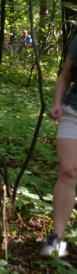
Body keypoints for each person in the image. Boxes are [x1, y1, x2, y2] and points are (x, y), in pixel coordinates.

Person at [40, 34, 77, 258]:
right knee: (68, 170)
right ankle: (56, 238)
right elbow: (65, 75)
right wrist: (56, 104)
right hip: (73, 111)